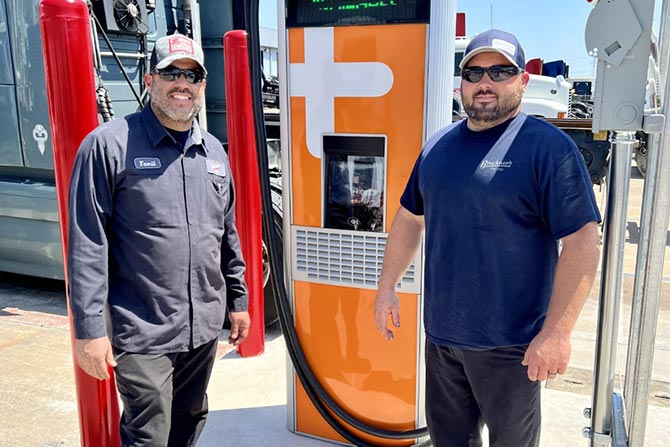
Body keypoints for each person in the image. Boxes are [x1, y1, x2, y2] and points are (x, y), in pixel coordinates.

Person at [374, 29, 601, 447]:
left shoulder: (548, 149)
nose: (484, 83)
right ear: (461, 83)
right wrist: (387, 287)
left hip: (512, 345)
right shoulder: (438, 147)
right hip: (442, 339)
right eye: (473, 73)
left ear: (522, 81)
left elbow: (583, 242)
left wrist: (556, 334)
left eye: (500, 72)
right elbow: (409, 218)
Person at [67, 32, 250, 447]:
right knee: (148, 435)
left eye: (192, 75)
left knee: (189, 421)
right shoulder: (108, 146)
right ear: (150, 80)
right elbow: (87, 244)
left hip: (202, 329)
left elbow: (227, 234)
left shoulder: (213, 152)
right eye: (171, 73)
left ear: (203, 85)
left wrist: (238, 302)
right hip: (143, 329)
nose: (182, 84)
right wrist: (89, 330)